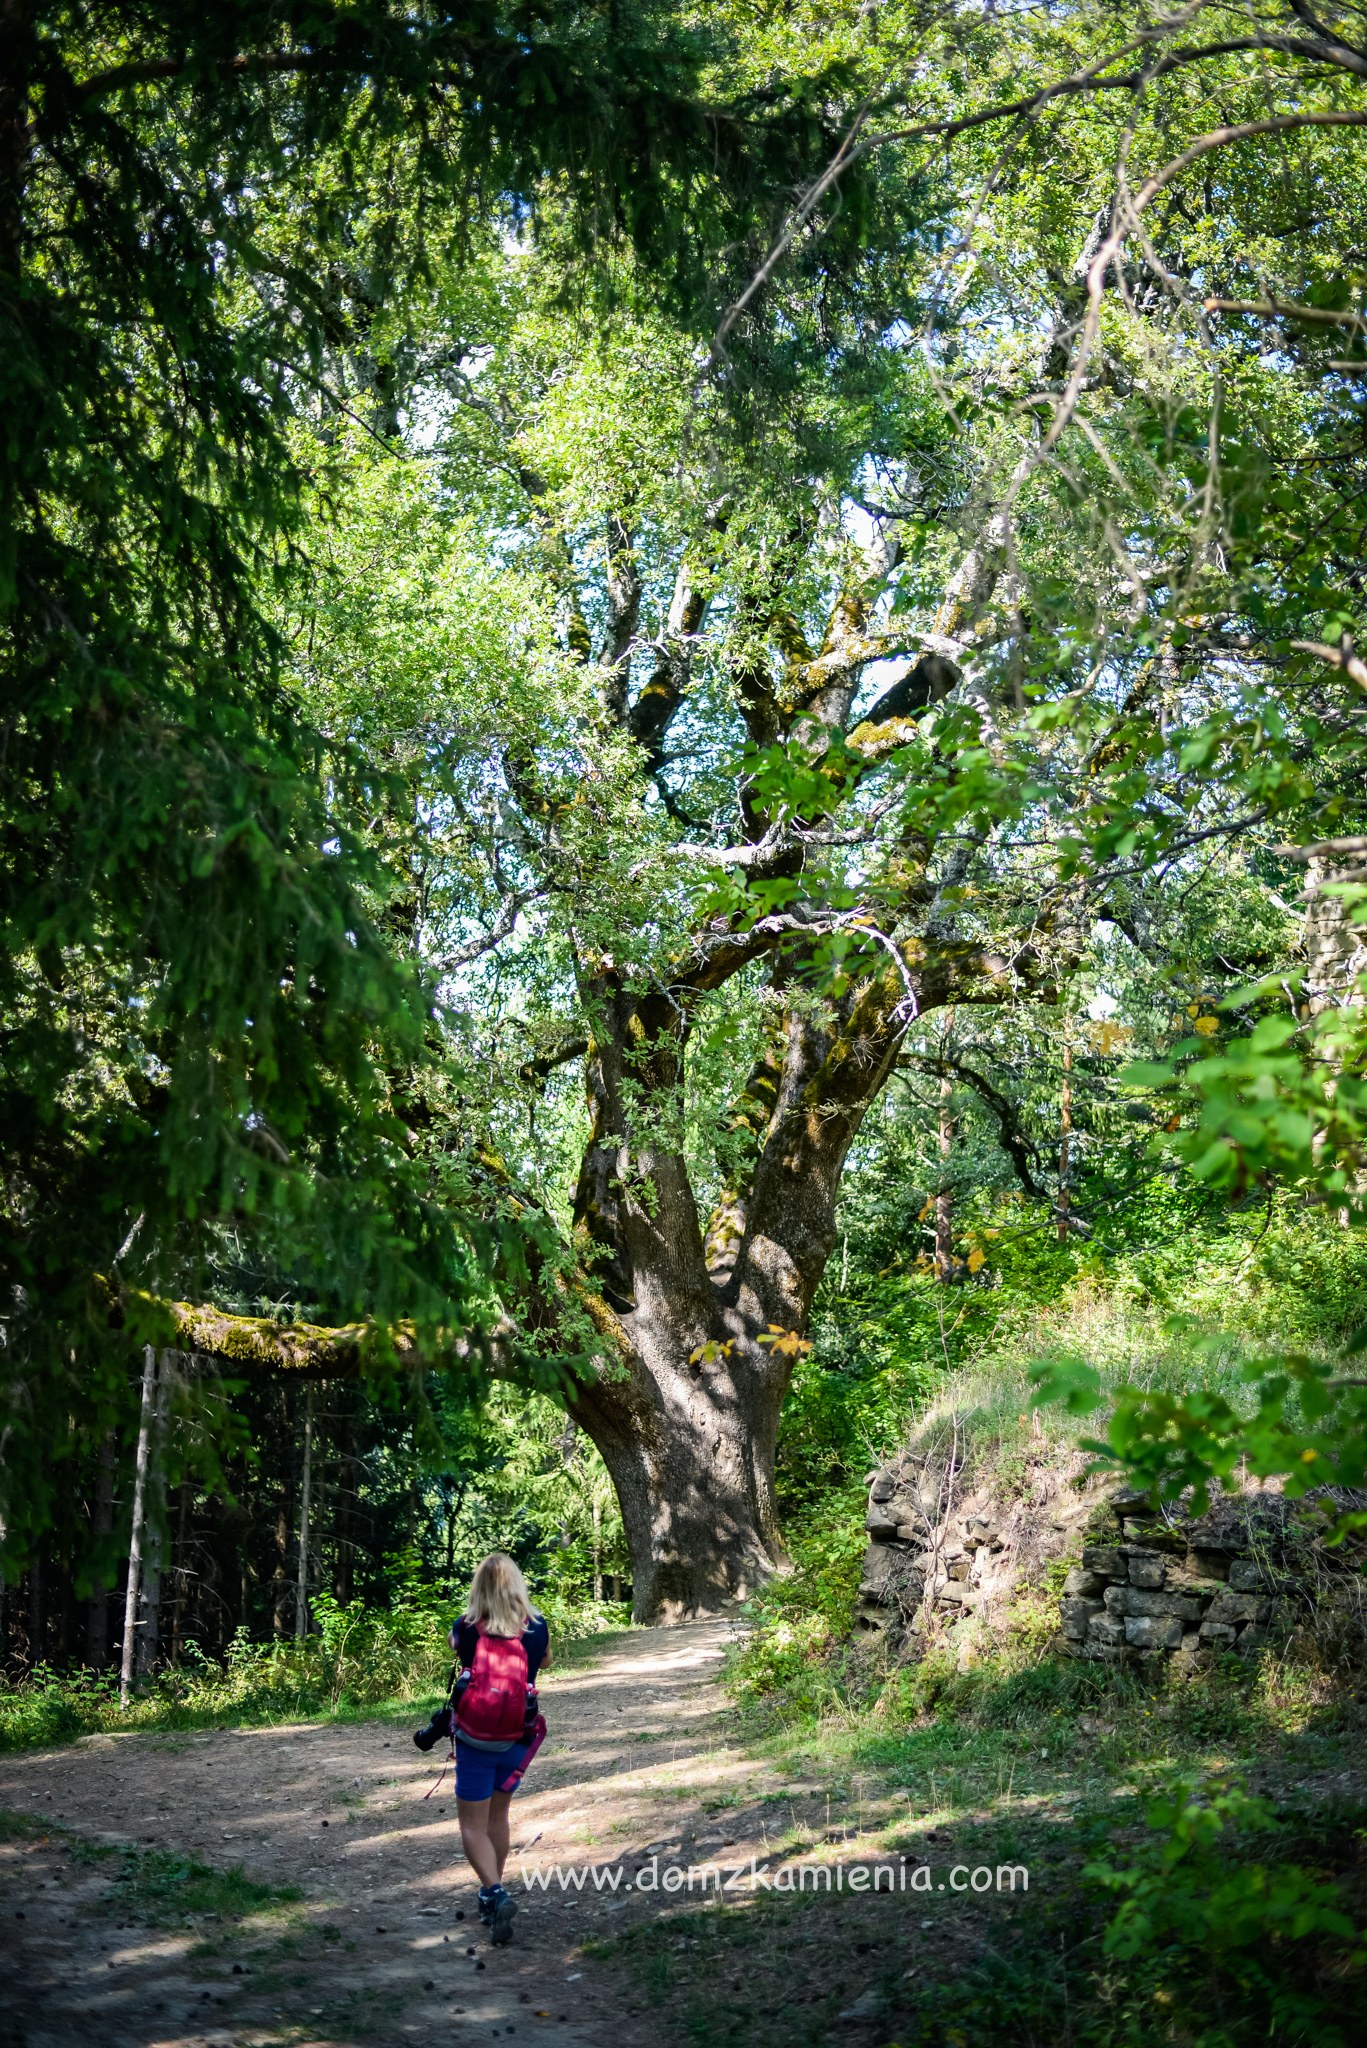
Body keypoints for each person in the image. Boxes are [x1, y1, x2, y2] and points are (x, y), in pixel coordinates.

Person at [419, 1552, 549, 1945]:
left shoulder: (467, 1626)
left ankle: (494, 1891)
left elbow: (452, 1645)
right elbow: (546, 1660)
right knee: (498, 1818)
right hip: (515, 1736)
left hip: (475, 1741)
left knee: (471, 1825)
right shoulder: (536, 1626)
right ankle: (492, 1891)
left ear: (479, 1588)